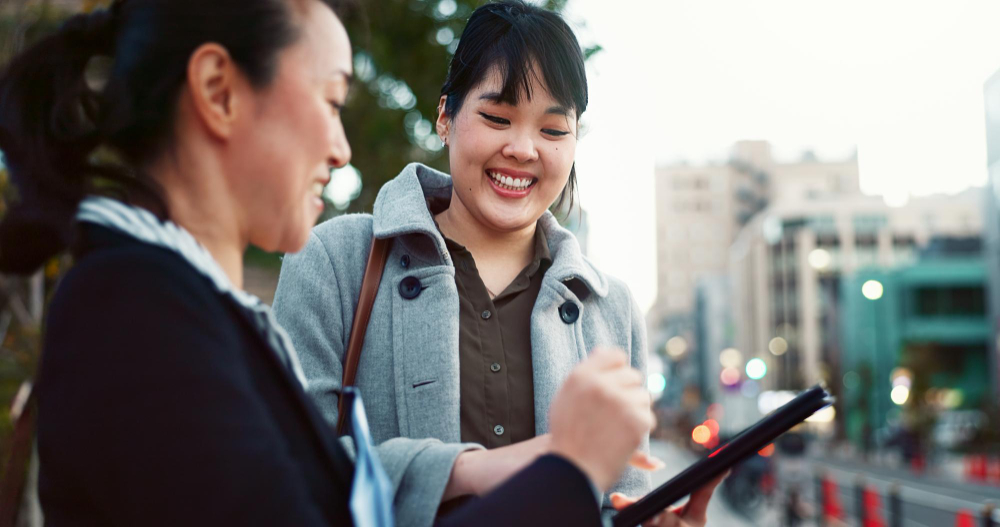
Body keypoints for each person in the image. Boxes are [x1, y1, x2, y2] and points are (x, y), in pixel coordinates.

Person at [0, 0, 722, 526]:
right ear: (219, 91)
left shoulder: (175, 303)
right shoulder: (138, 319)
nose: (344, 150)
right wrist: (567, 471)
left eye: (554, 128)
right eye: (331, 99)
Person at [273, 1, 654, 522]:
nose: (522, 149)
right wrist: (460, 471)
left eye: (553, 130)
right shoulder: (336, 261)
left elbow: (624, 492)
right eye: (497, 118)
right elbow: (285, 467)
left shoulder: (612, 310)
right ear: (445, 116)